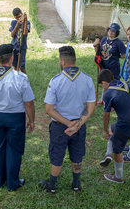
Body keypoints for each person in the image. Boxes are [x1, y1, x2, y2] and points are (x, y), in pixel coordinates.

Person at [40, 46, 96, 194]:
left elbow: (49, 109)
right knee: (77, 155)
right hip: (79, 125)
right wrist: (77, 124)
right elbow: (91, 107)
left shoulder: (56, 81)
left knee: (57, 155)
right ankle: (76, 185)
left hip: (60, 127)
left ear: (62, 61)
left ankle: (51, 186)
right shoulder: (87, 80)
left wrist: (67, 124)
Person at [0, 44, 35, 191]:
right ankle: (12, 182)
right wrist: (31, 120)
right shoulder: (20, 78)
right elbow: (29, 103)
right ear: (11, 58)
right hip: (15, 118)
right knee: (14, 149)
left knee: (0, 147)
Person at [98, 69, 130, 183]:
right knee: (116, 129)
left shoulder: (108, 94)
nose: (102, 87)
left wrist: (104, 130)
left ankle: (118, 176)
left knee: (117, 149)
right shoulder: (128, 85)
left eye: (101, 85)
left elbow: (106, 115)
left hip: (125, 124)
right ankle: (128, 155)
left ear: (104, 82)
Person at [94, 23, 126, 104]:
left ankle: (112, 101)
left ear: (116, 33)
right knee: (104, 82)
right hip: (104, 66)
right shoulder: (104, 39)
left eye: (113, 31)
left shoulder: (118, 42)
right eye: (110, 30)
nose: (111, 32)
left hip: (113, 67)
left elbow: (124, 55)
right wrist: (96, 46)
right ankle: (103, 99)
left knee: (112, 83)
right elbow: (99, 51)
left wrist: (115, 56)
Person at [9, 7, 30, 74]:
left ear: (22, 14)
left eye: (20, 16)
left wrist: (25, 21)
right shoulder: (13, 22)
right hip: (14, 46)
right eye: (16, 18)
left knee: (22, 66)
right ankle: (16, 78)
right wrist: (17, 24)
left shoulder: (27, 22)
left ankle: (25, 80)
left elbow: (25, 33)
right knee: (15, 65)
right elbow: (12, 35)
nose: (18, 19)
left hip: (22, 47)